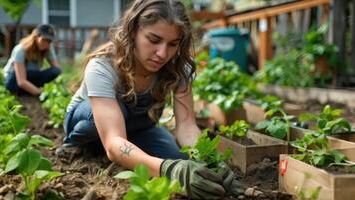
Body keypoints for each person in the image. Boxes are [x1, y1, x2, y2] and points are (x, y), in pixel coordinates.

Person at [57, 0, 243, 198]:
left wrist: (210, 161)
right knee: (97, 128)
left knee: (178, 159)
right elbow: (114, 140)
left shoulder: (179, 67)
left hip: (138, 127)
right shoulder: (103, 66)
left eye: (172, 44)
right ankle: (75, 146)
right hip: (90, 121)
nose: (162, 54)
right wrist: (168, 171)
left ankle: (131, 151)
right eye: (154, 40)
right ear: (134, 31)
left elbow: (187, 126)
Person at [3, 24, 62, 95]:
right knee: (13, 86)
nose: (46, 43)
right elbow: (21, 81)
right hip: (14, 79)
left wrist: (56, 88)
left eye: (49, 41)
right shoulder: (21, 50)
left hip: (30, 76)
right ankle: (26, 92)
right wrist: (41, 93)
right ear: (36, 37)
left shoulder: (48, 47)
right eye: (44, 40)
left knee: (56, 71)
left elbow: (56, 69)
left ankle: (29, 91)